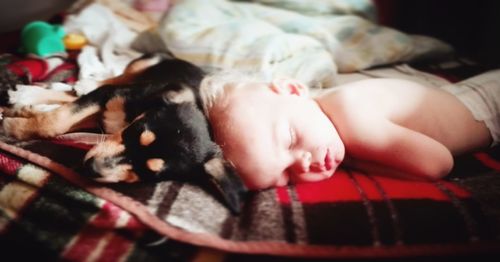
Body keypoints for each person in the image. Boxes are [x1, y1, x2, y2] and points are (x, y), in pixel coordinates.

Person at [199, 70, 500, 190]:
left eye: (291, 139)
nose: (303, 165)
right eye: (286, 177)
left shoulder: (349, 115)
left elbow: (438, 164)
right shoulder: (326, 112)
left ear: (293, 88)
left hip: (488, 106)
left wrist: (354, 161)